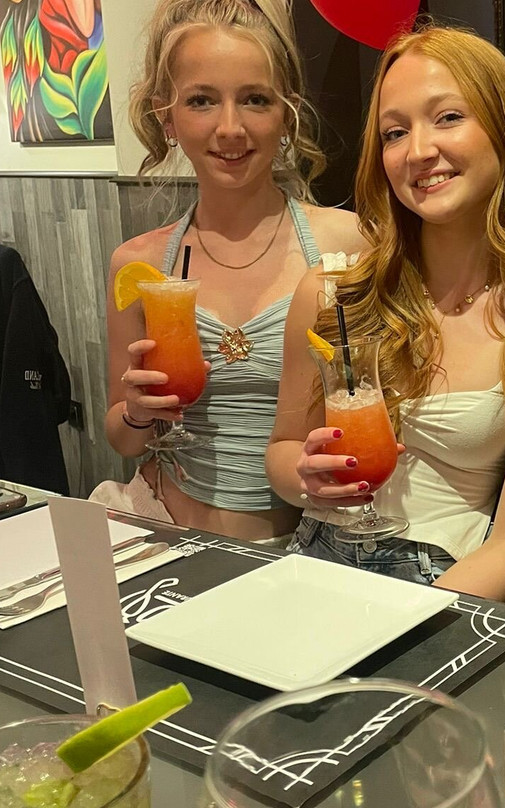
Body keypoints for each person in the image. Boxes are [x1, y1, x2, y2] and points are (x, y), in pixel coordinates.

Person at [266, 26, 505, 600]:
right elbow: (283, 452)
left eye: (448, 118)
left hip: (444, 584)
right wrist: (306, 478)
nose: (417, 151)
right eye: (395, 132)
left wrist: (414, 618)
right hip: (311, 565)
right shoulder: (332, 294)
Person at [95, 0, 367, 542]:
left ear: (286, 114)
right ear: (167, 119)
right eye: (201, 100)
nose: (230, 128)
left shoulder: (346, 244)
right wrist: (138, 413)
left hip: (304, 546)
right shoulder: (139, 264)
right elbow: (122, 439)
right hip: (162, 529)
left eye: (254, 99)